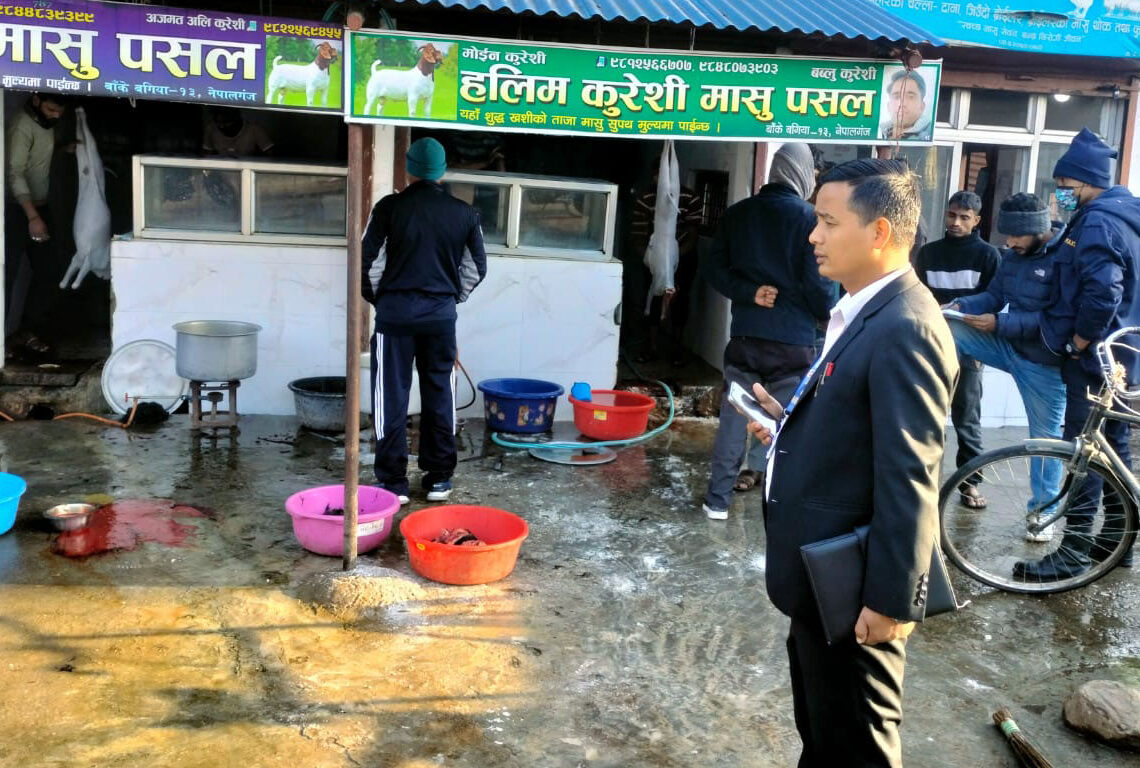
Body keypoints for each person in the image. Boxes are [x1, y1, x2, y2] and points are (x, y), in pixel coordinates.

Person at [748, 158, 958, 767]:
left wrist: (892, 600)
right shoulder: (860, 310)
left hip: (856, 590)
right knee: (823, 734)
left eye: (827, 221)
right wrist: (792, 432)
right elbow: (859, 431)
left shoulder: (906, 327)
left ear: (880, 233)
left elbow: (911, 473)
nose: (813, 235)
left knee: (858, 749)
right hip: (819, 578)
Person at [1018, 127, 1140, 580]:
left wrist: (1081, 341)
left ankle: (1074, 549)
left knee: (1083, 451)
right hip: (1126, 354)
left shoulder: (1097, 221)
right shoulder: (1127, 212)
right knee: (1115, 446)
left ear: (1087, 183)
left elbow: (1104, 291)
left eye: (1066, 188)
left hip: (1096, 358)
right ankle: (1117, 542)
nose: (1061, 195)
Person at [699, 143, 833, 519]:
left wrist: (748, 292)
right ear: (804, 173)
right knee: (785, 425)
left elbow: (713, 269)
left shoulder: (738, 214)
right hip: (793, 343)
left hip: (745, 338)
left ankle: (717, 502)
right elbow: (819, 285)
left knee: (733, 420)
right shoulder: (811, 220)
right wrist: (827, 315)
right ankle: (780, 505)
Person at [361, 137, 487, 504]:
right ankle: (438, 479)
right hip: (439, 320)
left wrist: (382, 301)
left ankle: (394, 482)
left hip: (395, 319)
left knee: (390, 398)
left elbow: (370, 265)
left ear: (409, 169)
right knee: (440, 394)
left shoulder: (388, 208)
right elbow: (475, 269)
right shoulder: (464, 213)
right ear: (442, 171)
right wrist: (450, 300)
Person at [944, 193, 1065, 541]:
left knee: (1045, 442)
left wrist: (998, 324)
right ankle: (937, 392)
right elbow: (993, 297)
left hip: (1043, 363)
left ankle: (1042, 517)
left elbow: (1056, 320)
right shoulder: (1012, 257)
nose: (1009, 243)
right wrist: (959, 305)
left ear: (1039, 230)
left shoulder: (1064, 259)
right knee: (944, 325)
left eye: (1016, 236)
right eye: (1007, 236)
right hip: (1007, 344)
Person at [914, 191, 1000, 508]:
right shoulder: (928, 254)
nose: (956, 222)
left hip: (971, 351)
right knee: (929, 417)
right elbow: (917, 295)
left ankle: (969, 485)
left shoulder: (989, 257)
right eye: (951, 215)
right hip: (932, 346)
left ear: (976, 220)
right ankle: (927, 483)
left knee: (967, 419)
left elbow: (996, 301)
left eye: (964, 217)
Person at [5, 92, 67, 359]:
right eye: (51, 109)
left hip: (38, 206)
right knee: (7, 274)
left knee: (50, 271)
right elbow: (14, 173)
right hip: (16, 209)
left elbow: (38, 157)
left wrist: (65, 148)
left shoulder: (45, 124)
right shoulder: (22, 126)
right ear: (35, 100)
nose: (55, 115)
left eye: (59, 111)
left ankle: (26, 332)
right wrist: (32, 217)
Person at [630, 163, 703, 366]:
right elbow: (638, 237)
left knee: (680, 301)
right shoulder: (646, 200)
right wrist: (655, 261)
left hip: (683, 256)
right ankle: (651, 347)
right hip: (653, 257)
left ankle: (676, 348)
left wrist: (673, 259)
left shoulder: (690, 198)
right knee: (652, 298)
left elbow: (692, 233)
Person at [879, 69, 932, 142]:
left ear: (922, 106)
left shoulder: (927, 134)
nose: (901, 104)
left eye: (910, 97)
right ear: (888, 106)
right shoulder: (878, 131)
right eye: (896, 97)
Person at [202, 107, 274, 157]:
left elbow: (272, 156)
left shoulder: (255, 129)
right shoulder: (211, 129)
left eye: (226, 122)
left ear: (237, 119)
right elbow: (207, 155)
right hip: (221, 174)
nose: (222, 126)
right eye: (218, 123)